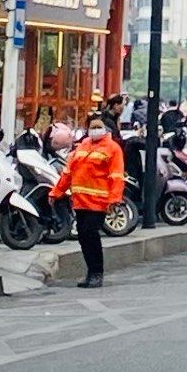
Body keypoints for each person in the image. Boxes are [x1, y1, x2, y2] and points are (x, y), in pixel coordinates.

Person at [50, 112, 125, 289]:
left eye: (98, 127)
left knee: (91, 234)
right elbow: (68, 173)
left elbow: (116, 176)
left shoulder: (113, 149)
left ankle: (96, 273)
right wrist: (56, 192)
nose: (95, 130)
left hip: (99, 203)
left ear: (105, 128)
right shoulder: (82, 146)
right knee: (83, 236)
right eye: (92, 127)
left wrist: (114, 199)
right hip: (80, 202)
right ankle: (91, 272)